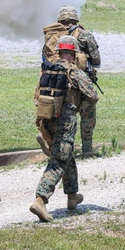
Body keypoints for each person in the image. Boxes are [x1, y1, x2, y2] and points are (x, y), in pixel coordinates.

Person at [30, 35, 98, 222]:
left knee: (66, 153)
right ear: (74, 54)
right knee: (60, 159)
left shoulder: (47, 70)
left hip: (47, 118)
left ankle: (72, 195)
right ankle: (40, 199)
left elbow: (36, 95)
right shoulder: (74, 72)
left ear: (59, 52)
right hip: (66, 120)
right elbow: (93, 96)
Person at [42, 6, 101, 157]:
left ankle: (55, 146)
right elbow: (96, 60)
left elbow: (45, 58)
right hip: (81, 81)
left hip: (57, 83)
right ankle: (87, 150)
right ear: (76, 19)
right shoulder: (84, 35)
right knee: (87, 115)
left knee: (58, 116)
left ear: (60, 19)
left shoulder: (52, 37)